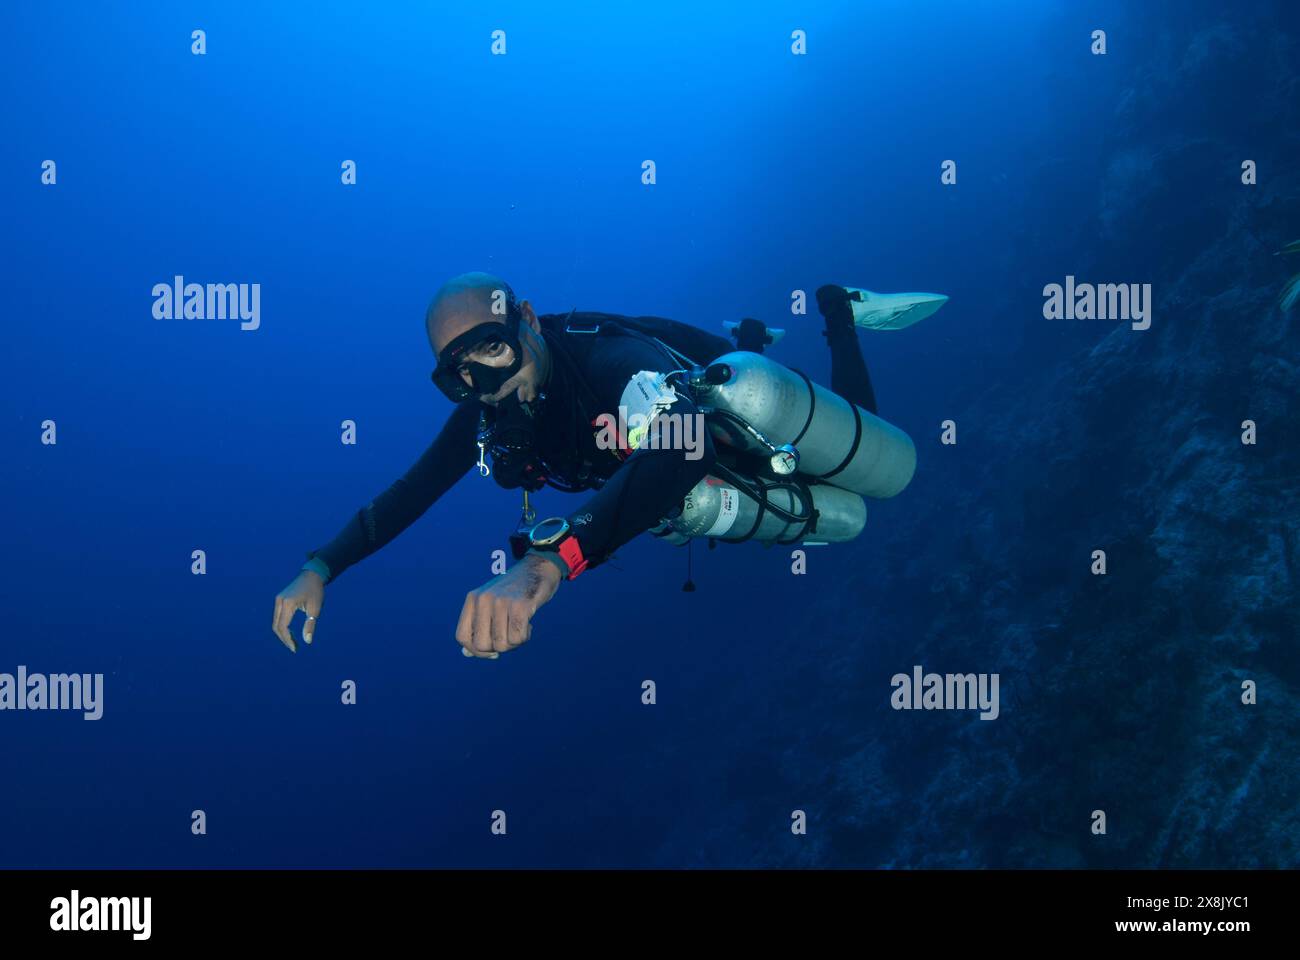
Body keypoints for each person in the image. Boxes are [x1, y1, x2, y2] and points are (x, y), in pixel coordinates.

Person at [271, 272, 938, 658]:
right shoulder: (489, 408)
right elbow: (409, 493)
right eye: (460, 373)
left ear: (526, 321)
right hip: (672, 447)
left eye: (492, 349)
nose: (485, 384)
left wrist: (546, 564)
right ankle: (752, 334)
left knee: (853, 445)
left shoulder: (603, 362)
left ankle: (838, 313)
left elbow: (688, 442)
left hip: (716, 399)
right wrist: (319, 565)